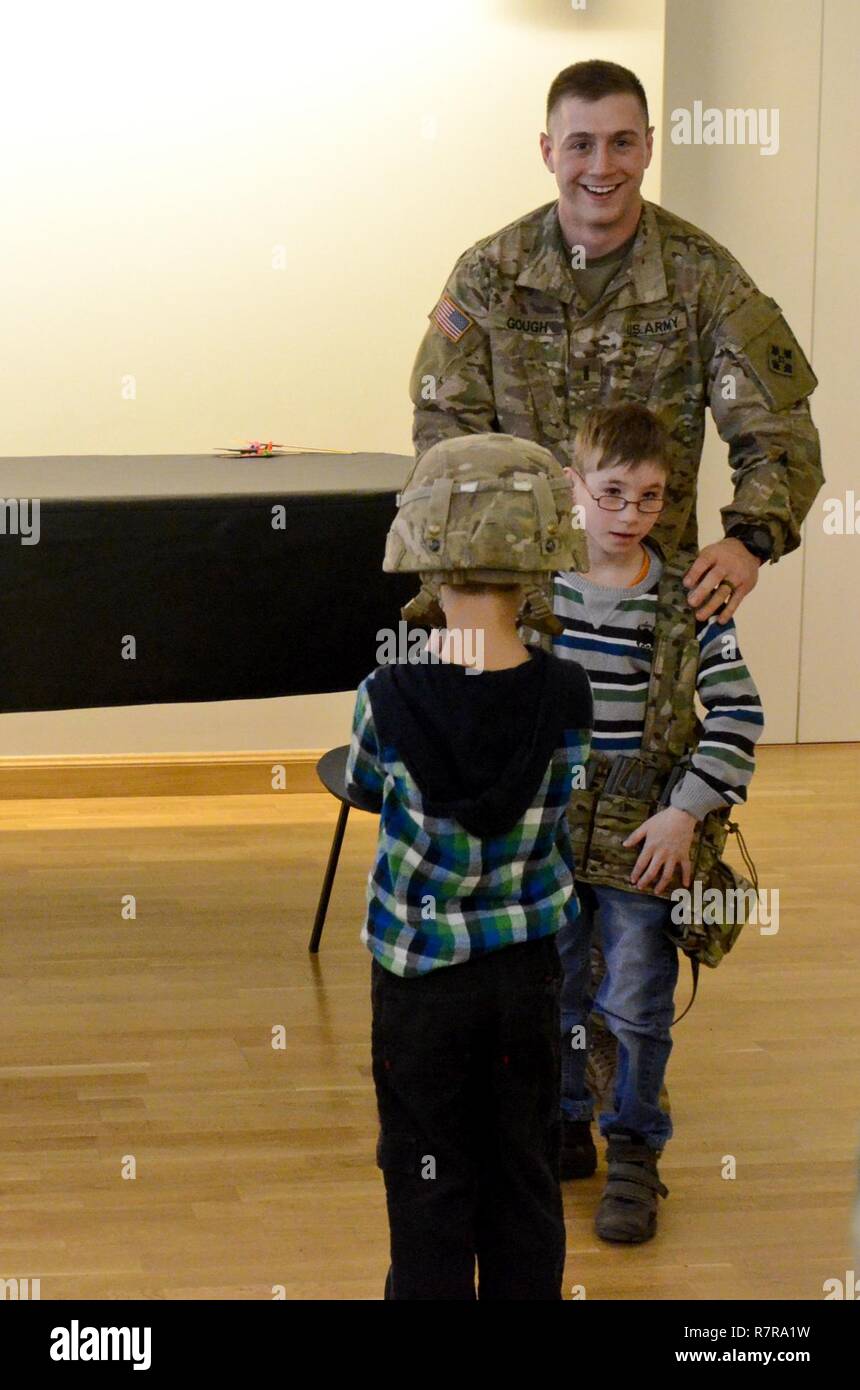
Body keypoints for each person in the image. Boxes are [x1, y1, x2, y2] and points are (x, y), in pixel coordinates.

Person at [410, 57, 823, 626]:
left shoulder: (703, 277)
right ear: (548, 151)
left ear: (649, 147)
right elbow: (444, 433)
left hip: (651, 610)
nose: (602, 166)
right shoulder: (490, 274)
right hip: (516, 606)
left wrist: (749, 542)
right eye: (580, 144)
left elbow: (779, 429)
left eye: (622, 142)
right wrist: (471, 574)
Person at [344, 432, 593, 1300]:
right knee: (524, 1174)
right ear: (537, 563)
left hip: (420, 986)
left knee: (424, 1177)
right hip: (525, 984)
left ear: (427, 557)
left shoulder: (387, 692)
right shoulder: (568, 693)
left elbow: (370, 786)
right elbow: (569, 792)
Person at [530, 401, 764, 1244]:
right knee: (552, 987)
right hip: (549, 836)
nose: (631, 516)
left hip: (644, 847)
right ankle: (562, 1125)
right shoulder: (539, 597)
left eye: (652, 498)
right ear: (575, 489)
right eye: (614, 494)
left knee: (633, 1002)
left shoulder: (690, 602)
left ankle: (634, 1150)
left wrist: (681, 814)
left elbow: (738, 717)